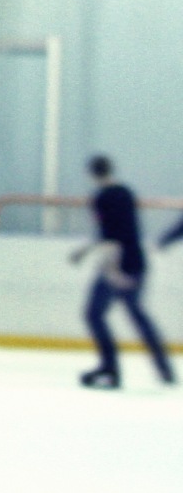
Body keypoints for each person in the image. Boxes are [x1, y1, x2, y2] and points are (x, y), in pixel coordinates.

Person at [70, 153, 176, 388]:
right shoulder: (126, 192)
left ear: (91, 174)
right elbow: (122, 230)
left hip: (118, 264)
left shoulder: (100, 198)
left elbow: (112, 239)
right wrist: (85, 250)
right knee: (137, 315)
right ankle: (164, 368)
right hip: (137, 262)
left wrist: (113, 271)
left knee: (93, 313)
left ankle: (110, 368)